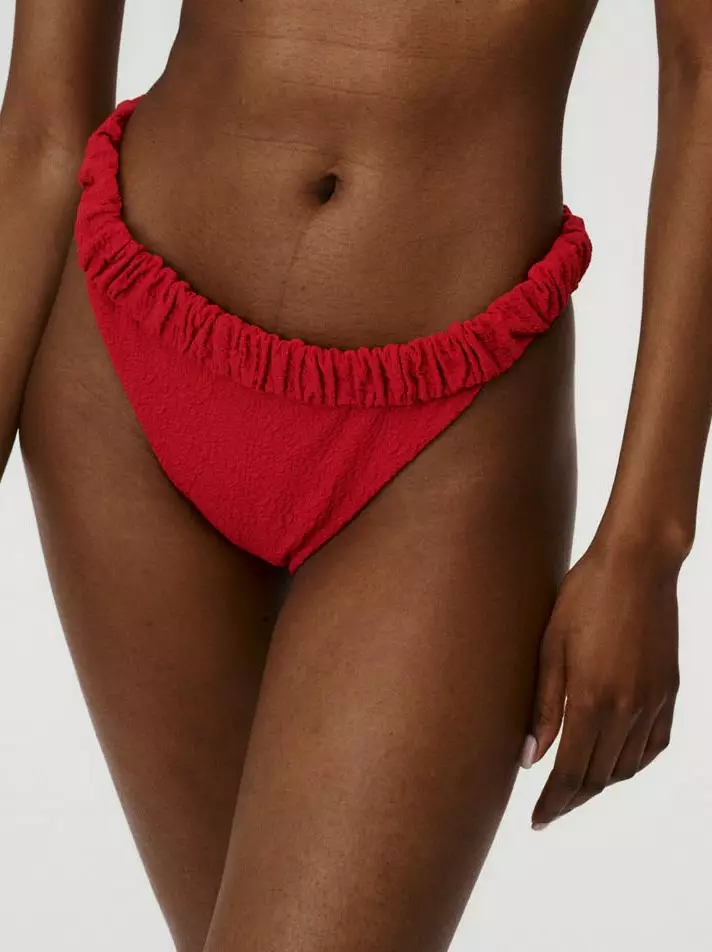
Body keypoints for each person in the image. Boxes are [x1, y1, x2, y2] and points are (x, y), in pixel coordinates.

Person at [1, 1, 707, 949]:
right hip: (128, 373)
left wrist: (648, 544)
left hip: (445, 441)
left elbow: (705, 67)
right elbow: (42, 127)